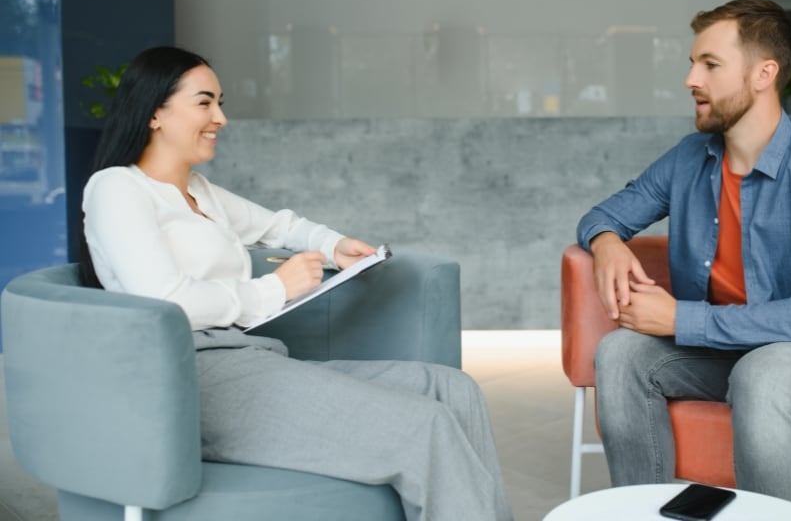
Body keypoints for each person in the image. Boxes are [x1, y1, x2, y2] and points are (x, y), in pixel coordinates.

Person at [80, 45, 513, 521]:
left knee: (451, 389)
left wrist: (334, 245)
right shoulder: (117, 188)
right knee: (424, 426)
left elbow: (279, 226)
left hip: (249, 360)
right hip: (190, 377)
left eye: (220, 102)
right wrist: (275, 288)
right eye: (204, 103)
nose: (220, 117)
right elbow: (165, 302)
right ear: (155, 112)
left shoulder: (199, 192)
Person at [576, 0, 791, 505]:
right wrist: (606, 241)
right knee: (619, 353)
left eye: (710, 65)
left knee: (762, 374)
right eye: (692, 63)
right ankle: (641, 513)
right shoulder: (689, 158)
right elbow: (603, 214)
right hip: (731, 351)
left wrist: (680, 318)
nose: (690, 79)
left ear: (764, 74)